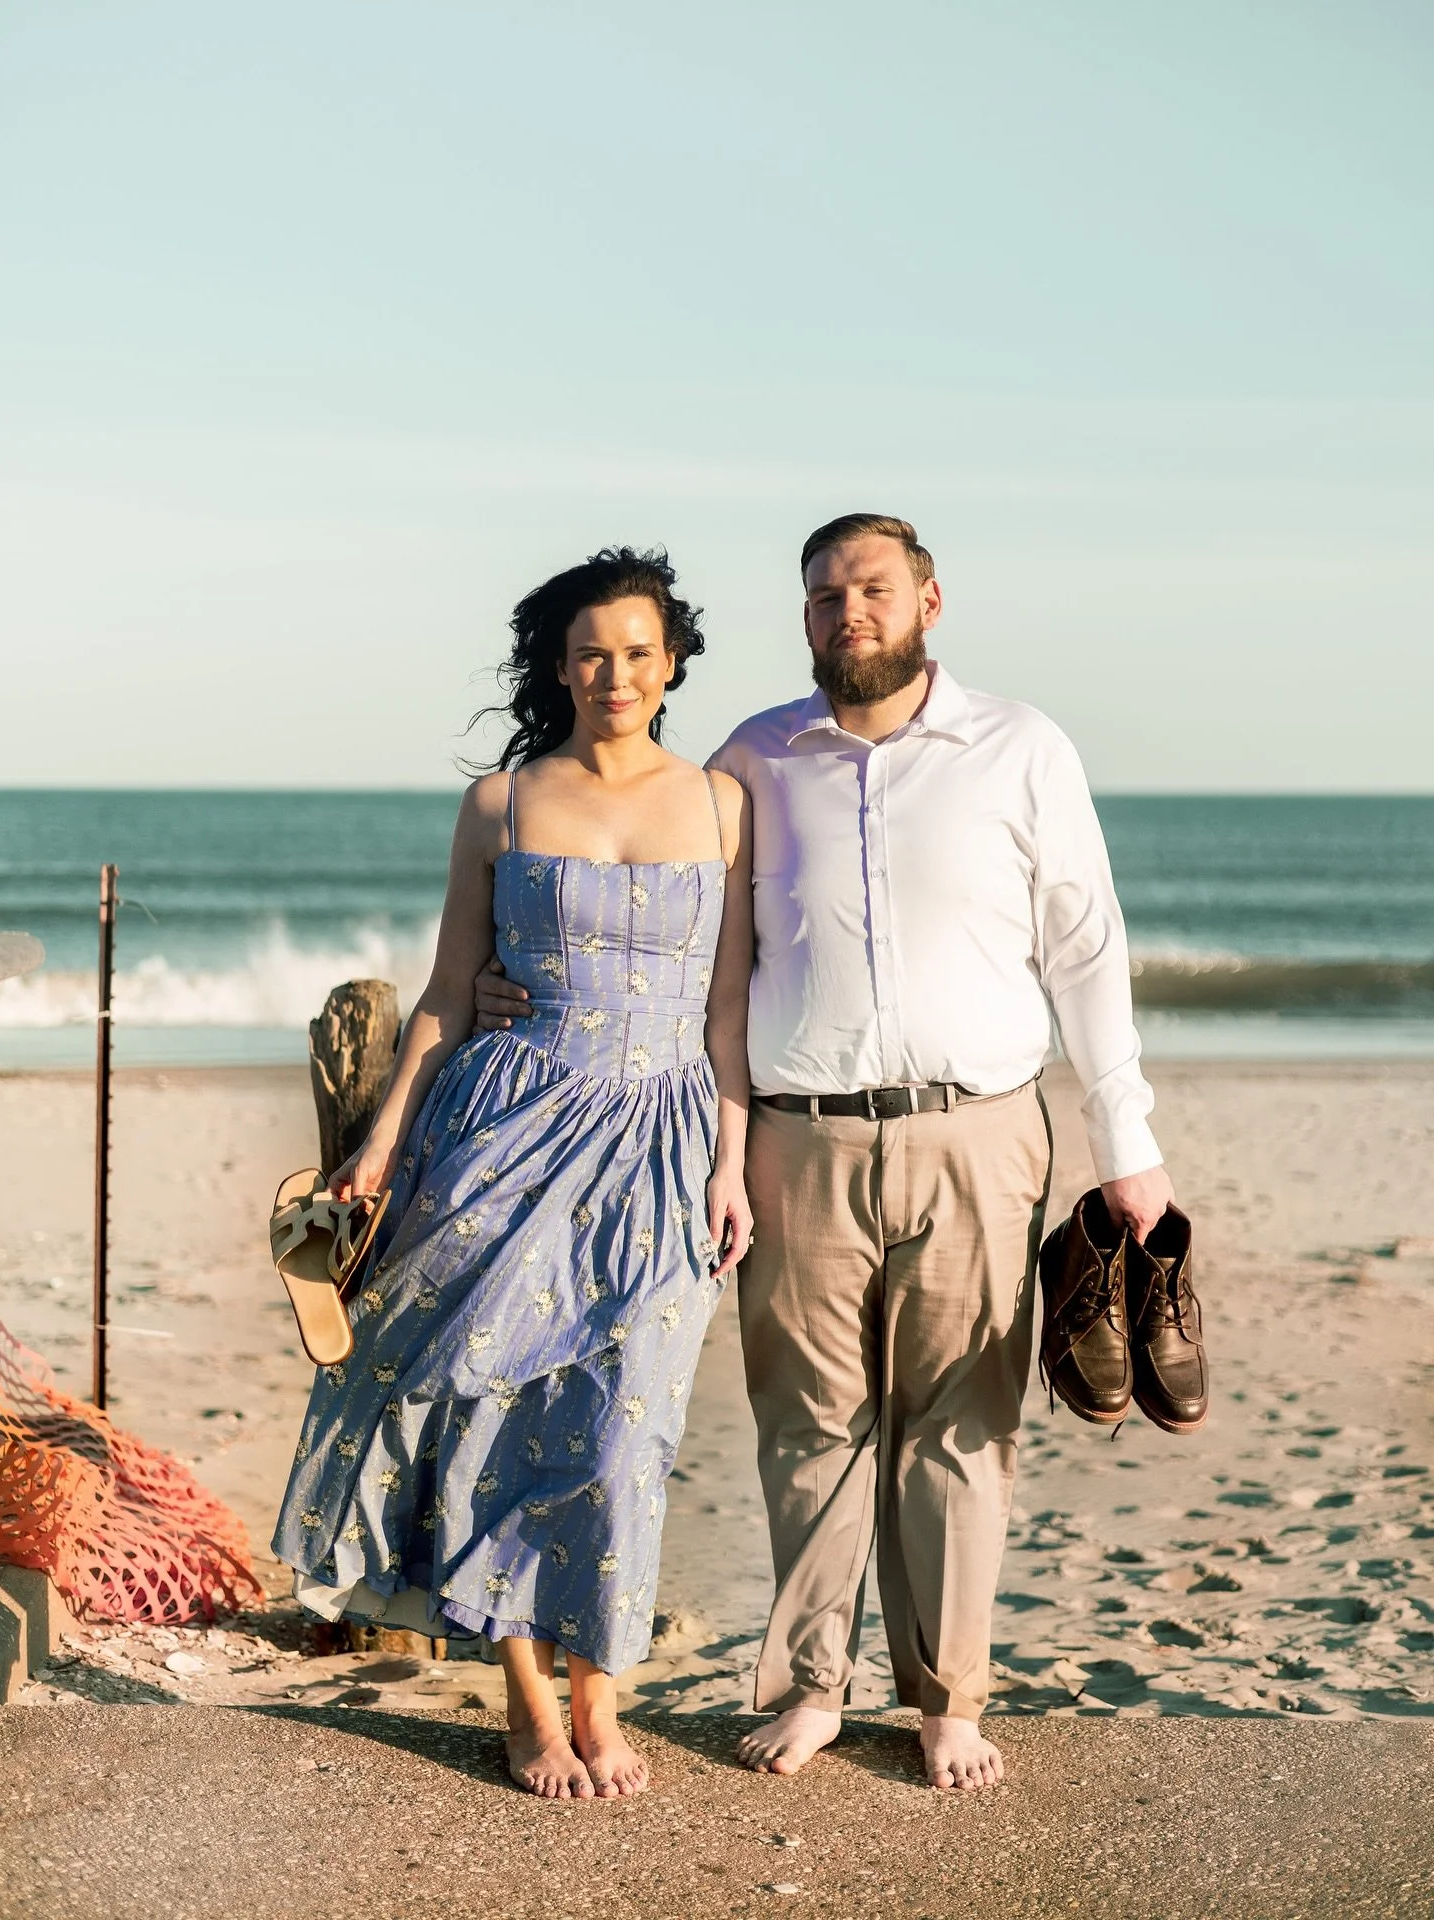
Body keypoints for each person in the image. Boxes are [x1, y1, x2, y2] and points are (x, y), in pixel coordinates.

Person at [476, 513, 1172, 1793]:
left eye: (872, 589)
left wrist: (1128, 1144)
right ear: (802, 617)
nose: (848, 611)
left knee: (962, 1425)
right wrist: (503, 989)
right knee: (808, 1429)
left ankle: (949, 1700)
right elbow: (681, 949)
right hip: (796, 1140)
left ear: (928, 600)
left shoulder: (1021, 747)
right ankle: (811, 1690)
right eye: (822, 595)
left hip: (979, 1130)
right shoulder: (747, 764)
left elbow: (1086, 948)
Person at [272, 546, 753, 1802]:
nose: (616, 674)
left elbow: (729, 1017)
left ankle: (607, 1694)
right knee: (493, 1415)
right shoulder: (503, 802)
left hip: (664, 1142)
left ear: (672, 663)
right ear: (559, 663)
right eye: (592, 651)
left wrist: (732, 1167)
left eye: (639, 652)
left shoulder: (722, 802)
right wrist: (379, 1148)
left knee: (622, 1431)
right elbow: (444, 993)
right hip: (509, 1123)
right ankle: (534, 1707)